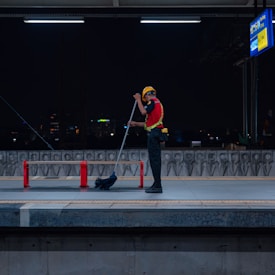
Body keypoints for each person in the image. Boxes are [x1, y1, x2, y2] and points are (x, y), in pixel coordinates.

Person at [129, 86, 167, 193]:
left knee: (154, 161)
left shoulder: (153, 102)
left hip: (154, 135)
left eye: (145, 97)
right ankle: (156, 183)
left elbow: (143, 112)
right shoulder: (157, 104)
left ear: (147, 94)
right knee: (154, 160)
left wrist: (138, 100)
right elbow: (148, 124)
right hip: (155, 133)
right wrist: (135, 123)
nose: (145, 99)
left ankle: (158, 186)